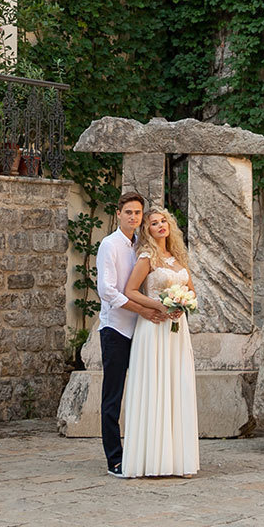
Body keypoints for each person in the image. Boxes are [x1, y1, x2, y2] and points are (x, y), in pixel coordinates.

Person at [120, 205, 199, 478]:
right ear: (148, 230)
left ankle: (179, 461)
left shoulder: (178, 258)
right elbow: (129, 291)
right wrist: (159, 304)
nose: (160, 225)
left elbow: (191, 291)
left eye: (164, 220)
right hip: (153, 328)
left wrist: (183, 304)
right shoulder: (146, 257)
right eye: (154, 223)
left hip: (177, 330)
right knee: (155, 387)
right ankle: (152, 459)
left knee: (178, 387)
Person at [94, 191, 164, 477]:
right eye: (129, 213)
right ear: (119, 213)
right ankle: (115, 459)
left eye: (138, 213)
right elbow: (107, 290)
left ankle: (140, 452)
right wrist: (141, 309)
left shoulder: (142, 246)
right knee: (113, 396)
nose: (133, 217)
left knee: (141, 393)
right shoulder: (109, 245)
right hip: (116, 328)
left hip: (142, 330)